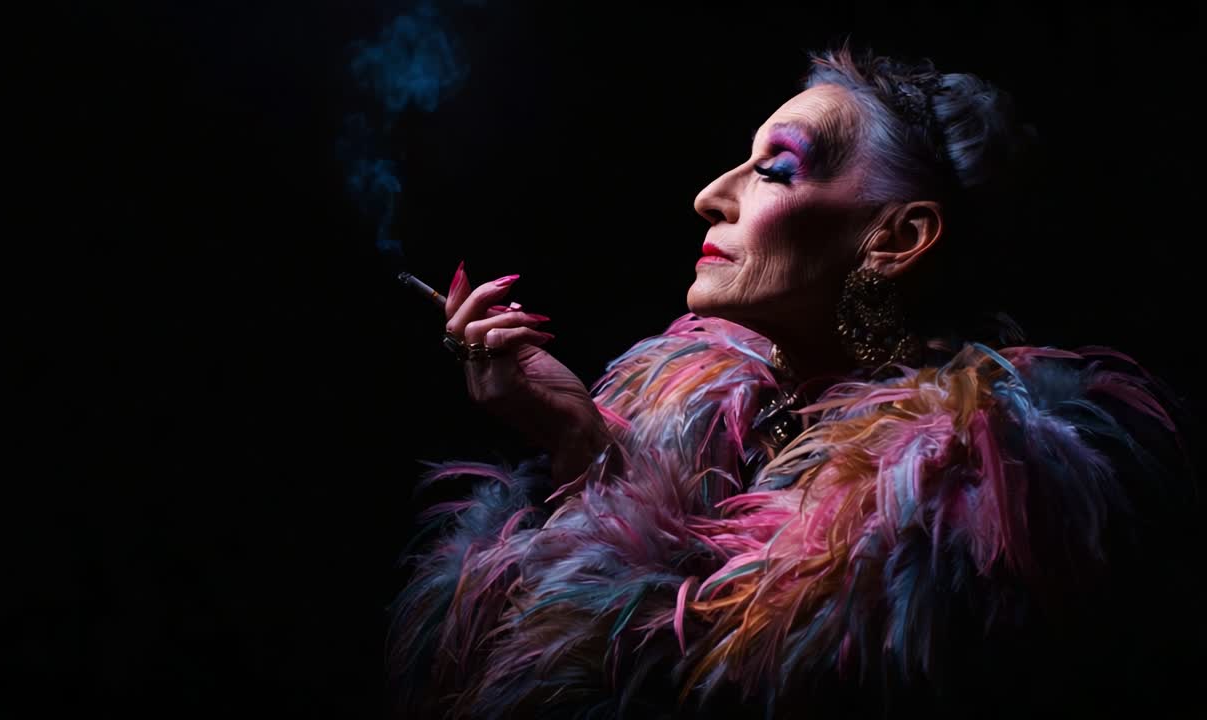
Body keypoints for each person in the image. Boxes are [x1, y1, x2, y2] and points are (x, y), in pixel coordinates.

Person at [386, 43, 1195, 719]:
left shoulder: (982, 500)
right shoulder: (682, 408)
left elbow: (692, 689)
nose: (711, 196)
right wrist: (576, 438)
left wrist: (597, 464)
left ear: (899, 237)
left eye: (773, 169)